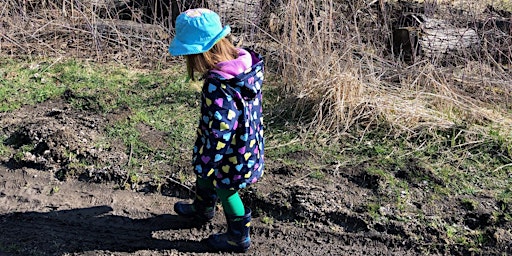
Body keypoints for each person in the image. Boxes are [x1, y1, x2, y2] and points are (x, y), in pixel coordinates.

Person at [168, 8, 264, 253]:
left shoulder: (217, 84)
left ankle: (238, 237)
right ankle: (202, 209)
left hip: (228, 150)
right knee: (204, 172)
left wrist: (210, 156)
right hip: (248, 142)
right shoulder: (245, 69)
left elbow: (221, 128)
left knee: (225, 188)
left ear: (199, 54)